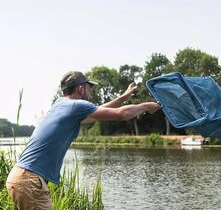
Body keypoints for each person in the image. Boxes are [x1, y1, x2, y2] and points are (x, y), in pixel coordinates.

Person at [5, 70, 161, 210]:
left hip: (19, 177)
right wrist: (146, 106)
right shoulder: (76, 106)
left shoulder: (60, 104)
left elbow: (100, 110)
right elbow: (121, 114)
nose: (91, 92)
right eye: (89, 87)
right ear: (80, 88)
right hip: (30, 180)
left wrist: (124, 97)